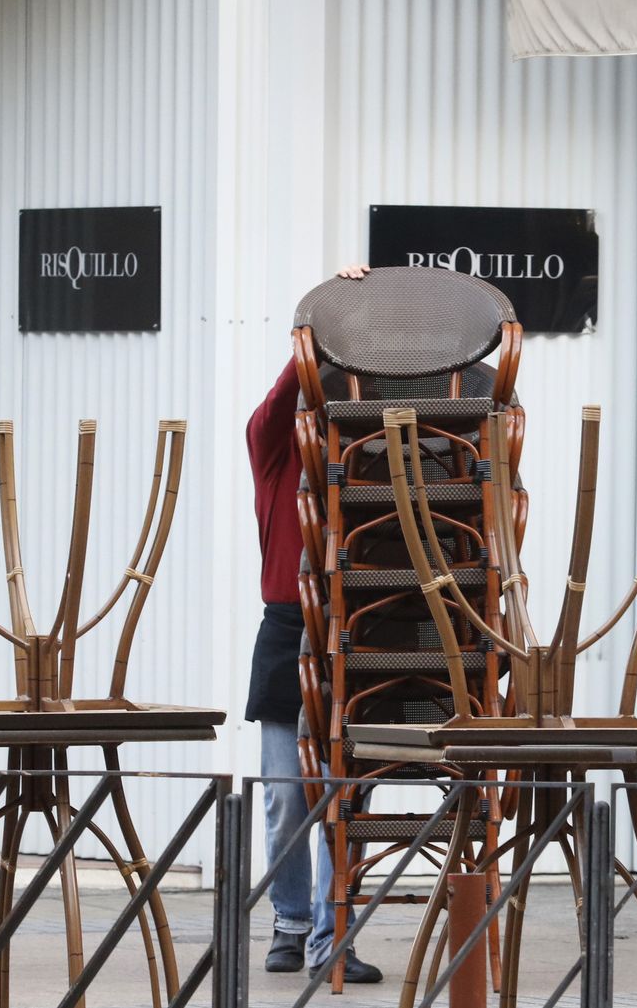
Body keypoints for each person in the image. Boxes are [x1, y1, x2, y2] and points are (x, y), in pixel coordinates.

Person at [246, 264, 382, 981]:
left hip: (353, 627)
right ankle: (291, 922)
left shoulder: (358, 460)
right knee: (282, 793)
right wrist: (324, 320)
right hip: (285, 625)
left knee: (344, 792)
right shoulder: (276, 454)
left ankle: (336, 937)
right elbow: (275, 406)